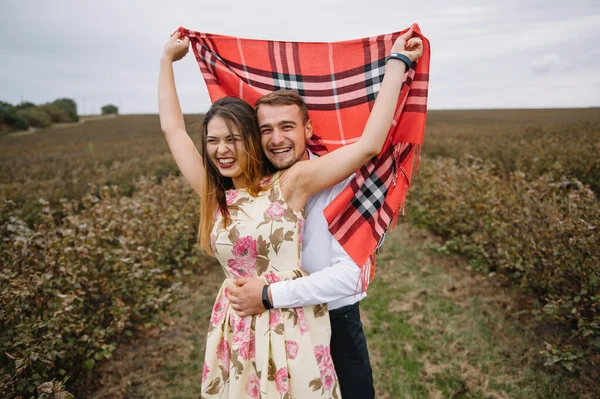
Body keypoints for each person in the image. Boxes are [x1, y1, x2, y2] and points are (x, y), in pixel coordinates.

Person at [159, 27, 423, 398]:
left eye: (233, 139)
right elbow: (172, 131)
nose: (222, 149)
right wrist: (167, 61)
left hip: (298, 321)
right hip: (239, 328)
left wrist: (396, 63)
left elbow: (368, 146)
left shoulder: (290, 183)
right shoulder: (216, 194)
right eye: (213, 141)